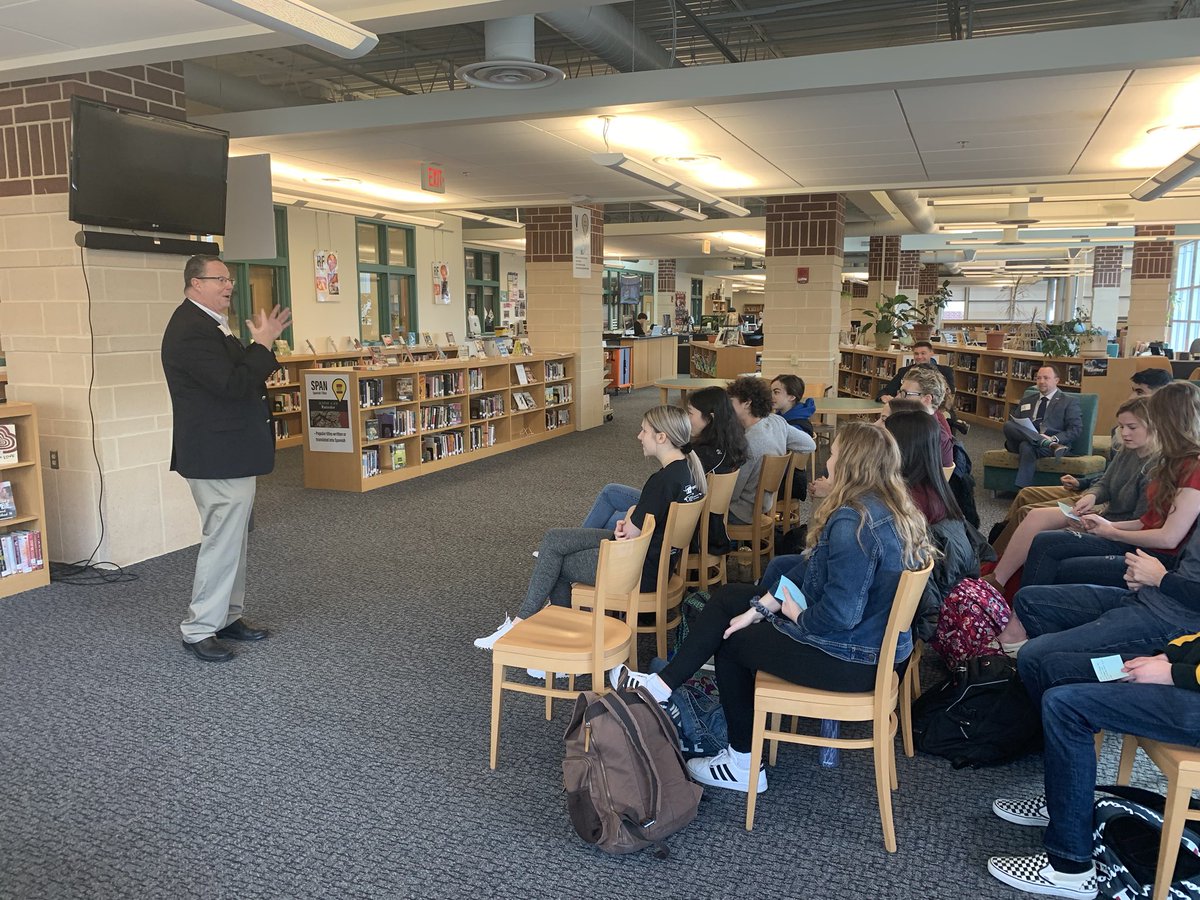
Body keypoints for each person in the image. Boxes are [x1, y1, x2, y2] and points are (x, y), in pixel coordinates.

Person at [615, 422, 933, 793]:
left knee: (732, 642)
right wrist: (764, 604)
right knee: (735, 600)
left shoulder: (853, 522)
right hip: (874, 653)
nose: (826, 460)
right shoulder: (890, 508)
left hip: (852, 661)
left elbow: (836, 616)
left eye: (833, 454)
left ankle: (742, 763)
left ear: (849, 463)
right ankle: (661, 685)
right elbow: (812, 568)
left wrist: (791, 613)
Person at [475, 406, 705, 654]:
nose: (639, 436)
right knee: (553, 539)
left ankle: (543, 636)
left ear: (662, 437)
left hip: (637, 568)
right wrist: (630, 518)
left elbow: (629, 533)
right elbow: (640, 521)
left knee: (556, 566)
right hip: (654, 561)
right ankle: (527, 623)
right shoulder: (688, 470)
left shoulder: (661, 482)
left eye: (644, 430)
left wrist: (628, 519)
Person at [987, 634, 1200, 900]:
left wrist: (1174, 673)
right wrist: (1168, 656)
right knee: (1056, 665)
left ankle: (1070, 866)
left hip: (1188, 683)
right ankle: (1064, 808)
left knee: (1064, 706)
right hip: (1184, 669)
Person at [996, 381, 1200, 653]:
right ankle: (1022, 625)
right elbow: (1146, 519)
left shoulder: (1189, 466)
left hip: (1155, 558)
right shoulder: (1174, 462)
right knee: (1046, 540)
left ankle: (1025, 628)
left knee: (1054, 550)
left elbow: (1168, 535)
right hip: (1143, 544)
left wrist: (1110, 530)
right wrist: (1104, 524)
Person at [161, 255, 292, 663]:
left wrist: (256, 345)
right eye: (219, 279)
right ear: (195, 283)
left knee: (233, 540)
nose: (228, 286)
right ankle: (199, 629)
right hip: (215, 455)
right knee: (221, 542)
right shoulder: (190, 330)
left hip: (230, 451)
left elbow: (237, 373)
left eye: (229, 279)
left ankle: (227, 617)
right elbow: (233, 384)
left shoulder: (210, 324)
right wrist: (263, 345)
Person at [991, 367, 1173, 553]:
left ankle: (995, 559)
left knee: (1029, 511)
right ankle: (995, 552)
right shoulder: (1127, 439)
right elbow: (1110, 477)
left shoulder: (1152, 454)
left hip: (1103, 509)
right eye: (1038, 377)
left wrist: (1089, 492)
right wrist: (1084, 484)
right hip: (1092, 491)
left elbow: (1141, 518)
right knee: (1024, 470)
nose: (1131, 397)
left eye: (1139, 392)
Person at [988, 397, 1157, 591]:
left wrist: (1102, 525)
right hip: (1103, 518)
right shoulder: (1128, 450)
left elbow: (1142, 523)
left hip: (1118, 530)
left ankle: (1020, 594)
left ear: (1152, 426)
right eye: (1121, 427)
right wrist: (1090, 496)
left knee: (1045, 537)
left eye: (1132, 427)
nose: (1125, 433)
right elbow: (1105, 484)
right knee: (1035, 515)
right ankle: (997, 580)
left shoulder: (1155, 468)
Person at [580, 386, 746, 530]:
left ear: (709, 418)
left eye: (690, 413)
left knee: (612, 518)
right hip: (694, 513)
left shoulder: (698, 456)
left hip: (681, 518)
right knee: (612, 493)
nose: (686, 419)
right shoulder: (729, 444)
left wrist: (632, 514)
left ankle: (586, 545)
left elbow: (665, 492)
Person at [726, 376, 815, 525]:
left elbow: (732, 494)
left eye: (731, 402)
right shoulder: (777, 421)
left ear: (747, 403)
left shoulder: (749, 444)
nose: (727, 407)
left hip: (743, 511)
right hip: (766, 503)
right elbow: (809, 445)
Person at [1001, 365, 1083, 488]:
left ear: (1057, 380)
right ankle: (1043, 442)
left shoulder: (1069, 402)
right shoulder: (1027, 400)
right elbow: (1015, 423)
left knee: (1026, 446)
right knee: (1008, 425)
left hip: (1049, 442)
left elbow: (1075, 430)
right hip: (1024, 442)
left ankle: (1023, 490)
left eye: (1046, 378)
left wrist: (1054, 439)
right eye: (1038, 378)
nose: (1041, 382)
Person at [894, 365, 955, 467]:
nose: (897, 398)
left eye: (904, 393)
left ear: (926, 399)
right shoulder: (912, 423)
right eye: (900, 392)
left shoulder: (934, 437)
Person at [876, 341, 955, 406]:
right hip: (909, 409)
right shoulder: (904, 371)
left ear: (931, 353)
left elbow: (949, 396)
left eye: (923, 353)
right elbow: (885, 391)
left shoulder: (945, 372)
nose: (919, 357)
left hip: (938, 409)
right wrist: (883, 397)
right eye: (916, 354)